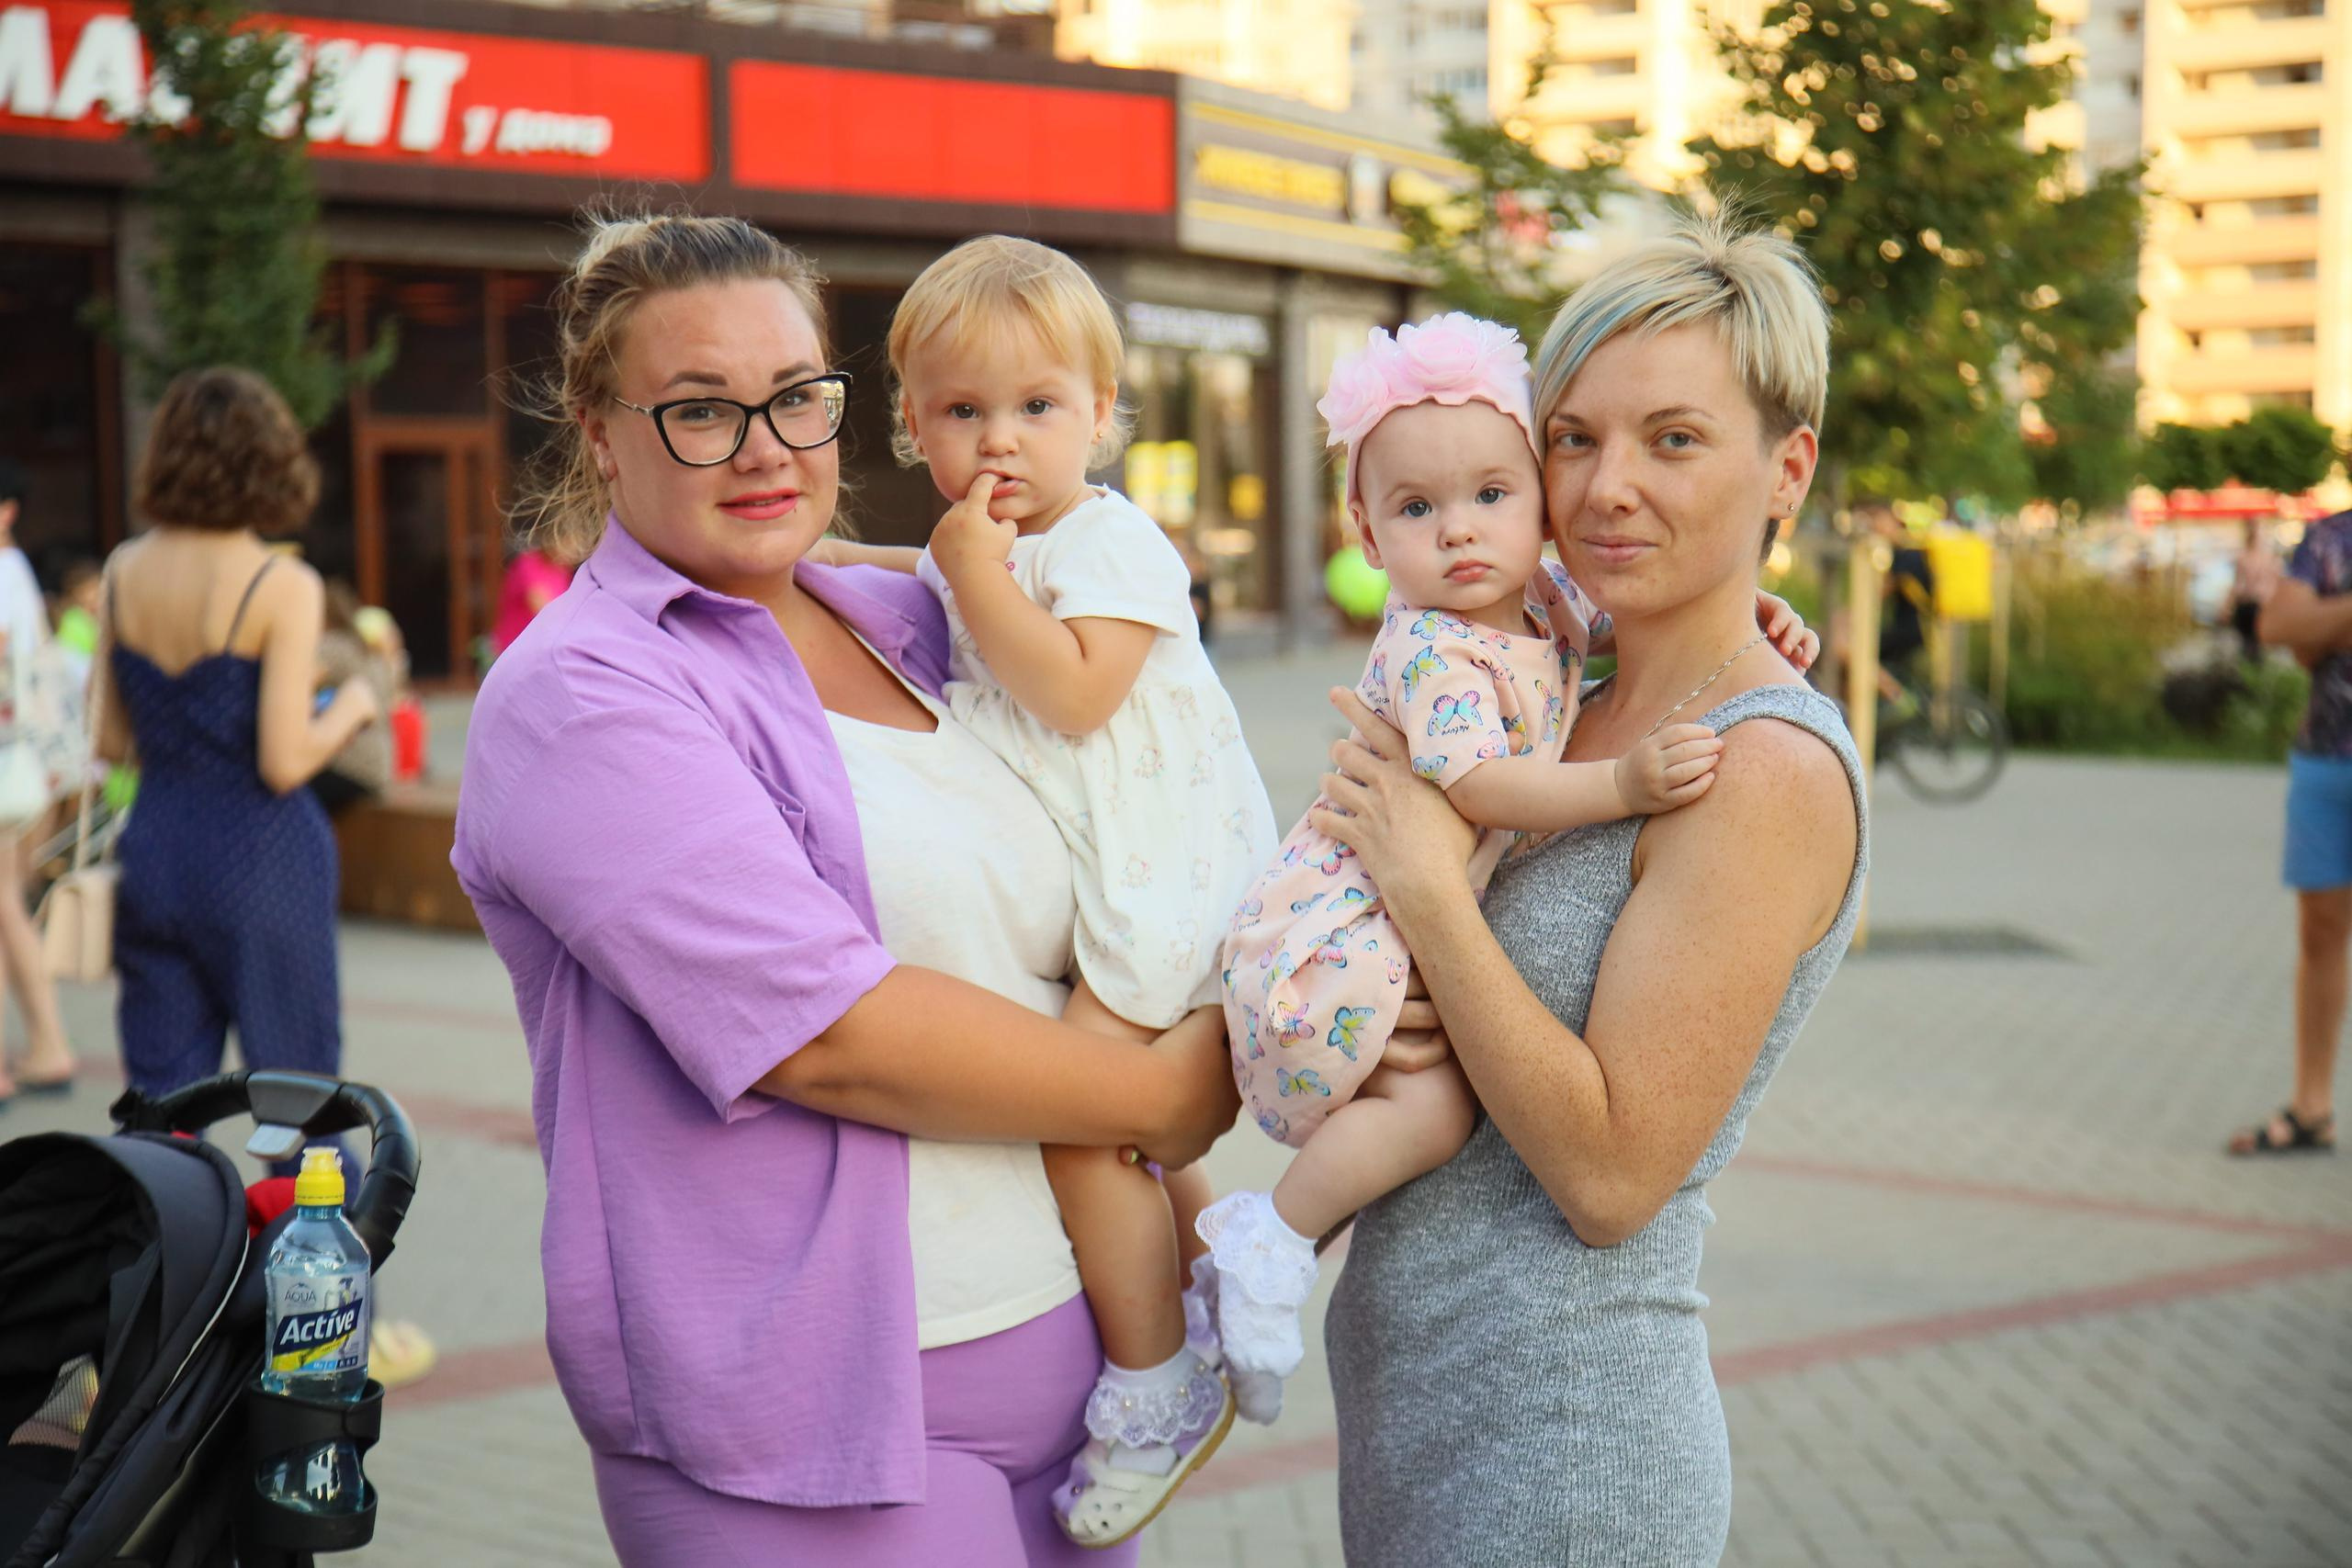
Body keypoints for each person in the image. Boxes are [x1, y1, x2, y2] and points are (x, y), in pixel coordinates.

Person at [453, 210, 1244, 1567]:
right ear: (598, 428)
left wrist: (1659, 642)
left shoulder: (912, 618)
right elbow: (826, 1030)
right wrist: (1170, 1095)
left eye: (796, 399)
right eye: (700, 409)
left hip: (1075, 1356)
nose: (764, 447)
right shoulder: (585, 692)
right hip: (811, 1426)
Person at [1311, 213, 1868, 1564]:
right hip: (1426, 1423)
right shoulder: (1566, 690)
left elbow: (1613, 1175)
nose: (1609, 484)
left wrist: (1428, 894)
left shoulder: (1765, 769)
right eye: (1574, 437)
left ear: (1785, 467)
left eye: (1674, 439)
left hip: (1565, 1461)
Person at [1203, 313, 1817, 1421]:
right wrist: (1622, 782)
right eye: (1417, 510)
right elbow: (1483, 787)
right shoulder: (1439, 643)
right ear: (1365, 526)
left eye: (1492, 495)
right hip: (1350, 925)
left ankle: (1273, 1235)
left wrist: (1756, 612)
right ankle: (1269, 1242)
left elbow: (1610, 1184)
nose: (1461, 535)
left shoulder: (1552, 617)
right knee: (1410, 1106)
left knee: (1427, 1111)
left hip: (1560, 1436)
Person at [808, 234, 1276, 1543]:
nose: (1000, 441)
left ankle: (1153, 1382)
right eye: (964, 411)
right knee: (1116, 1121)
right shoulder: (996, 550)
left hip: (1167, 869)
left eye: (1037, 407)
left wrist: (960, 568)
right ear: (914, 426)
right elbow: (933, 585)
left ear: (1104, 420)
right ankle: (1209, 1277)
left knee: (1082, 1117)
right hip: (1114, 871)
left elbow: (1070, 685)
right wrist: (838, 562)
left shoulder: (1115, 541)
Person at [95, 369, 379, 1140]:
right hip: (263, 862)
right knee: (299, 1113)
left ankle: (164, 1260)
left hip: (155, 850)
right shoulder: (280, 583)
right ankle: (307, 1262)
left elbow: (110, 741)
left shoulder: (122, 570)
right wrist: (352, 705)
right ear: (268, 460)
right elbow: (285, 761)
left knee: (159, 1113)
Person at [2239, 506, 2352, 1155]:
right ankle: (2312, 1108)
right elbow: (2280, 624)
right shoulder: (2330, 536)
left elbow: (2310, 632)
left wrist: (2327, 622)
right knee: (2320, 932)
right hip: (2325, 760)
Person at [0, 458, 77, 1106]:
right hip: (21, 764)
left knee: (4, 903)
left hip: (5, 762)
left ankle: (44, 1047)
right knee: (8, 902)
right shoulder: (19, 571)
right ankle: (44, 1044)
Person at [309, 581, 398, 817]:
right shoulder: (366, 649)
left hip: (351, 768)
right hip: (379, 766)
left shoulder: (332, 646)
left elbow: (298, 679)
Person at [1859, 495, 1933, 699]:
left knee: (1859, 654)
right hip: (1915, 629)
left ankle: (1898, 699)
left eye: (1877, 520)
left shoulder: (1906, 553)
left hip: (1909, 630)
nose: (1874, 526)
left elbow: (1880, 593)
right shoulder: (1910, 550)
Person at [487, 545, 572, 660]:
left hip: (539, 650)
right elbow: (541, 606)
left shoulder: (561, 571)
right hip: (513, 649)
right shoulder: (528, 563)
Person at [2230, 518, 2281, 666]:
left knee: (2249, 646)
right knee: (2256, 645)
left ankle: (2251, 677)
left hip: (2250, 604)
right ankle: (2256, 678)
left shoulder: (2243, 557)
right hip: (2260, 604)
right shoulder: (2270, 558)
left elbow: (2238, 586)